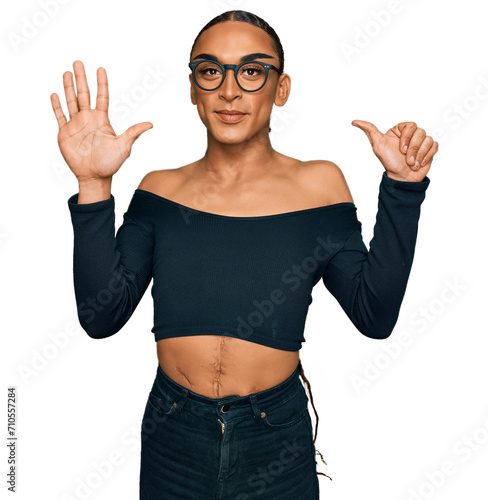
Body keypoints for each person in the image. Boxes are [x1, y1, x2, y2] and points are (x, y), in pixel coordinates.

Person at [50, 9, 438, 500]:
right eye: (210, 71)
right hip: (174, 435)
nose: (229, 91)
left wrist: (404, 190)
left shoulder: (319, 186)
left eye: (252, 71)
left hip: (274, 435)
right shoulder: (159, 192)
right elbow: (100, 316)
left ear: (281, 88)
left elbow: (374, 314)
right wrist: (93, 185)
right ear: (193, 88)